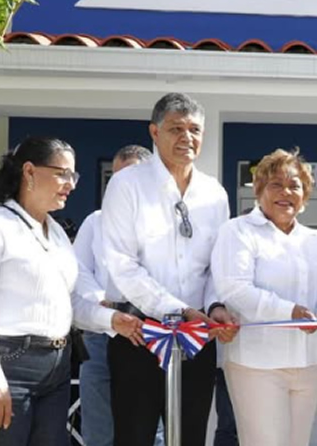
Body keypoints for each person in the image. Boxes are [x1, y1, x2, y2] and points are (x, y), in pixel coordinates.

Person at [0, 136, 143, 446]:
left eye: (74, 175)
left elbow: (67, 303)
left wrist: (111, 321)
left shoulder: (55, 232)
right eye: (62, 173)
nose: (70, 183)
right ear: (29, 171)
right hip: (6, 367)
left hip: (55, 370)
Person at [102, 93, 238, 446]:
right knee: (134, 436)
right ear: (154, 132)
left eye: (194, 129)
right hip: (139, 333)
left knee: (191, 436)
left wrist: (214, 308)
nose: (186, 138)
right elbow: (122, 265)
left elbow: (216, 267)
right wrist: (177, 310)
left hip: (198, 337)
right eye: (176, 128)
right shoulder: (126, 184)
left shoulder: (214, 194)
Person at [211, 148, 317, 446]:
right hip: (256, 364)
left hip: (307, 361)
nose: (286, 192)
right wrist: (291, 311)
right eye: (276, 184)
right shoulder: (237, 232)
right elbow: (234, 289)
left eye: (295, 185)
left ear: (305, 195)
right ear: (259, 190)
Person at [73, 144, 164, 446]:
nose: (121, 185)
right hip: (104, 333)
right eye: (115, 177)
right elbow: (78, 268)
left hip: (151, 333)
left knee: (151, 428)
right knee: (99, 426)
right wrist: (99, 298)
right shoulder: (95, 220)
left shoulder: (164, 223)